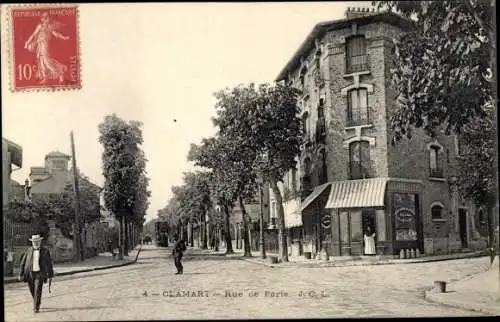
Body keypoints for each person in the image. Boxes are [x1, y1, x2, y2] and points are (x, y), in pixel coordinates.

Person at [24, 12, 69, 84]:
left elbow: (56, 34)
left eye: (47, 17)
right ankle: (45, 78)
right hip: (39, 45)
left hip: (45, 46)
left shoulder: (50, 27)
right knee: (41, 61)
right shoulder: (40, 26)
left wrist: (64, 37)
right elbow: (33, 35)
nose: (46, 19)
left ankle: (61, 74)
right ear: (42, 19)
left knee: (47, 61)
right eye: (44, 18)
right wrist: (27, 42)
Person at [18, 234, 54, 313]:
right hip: (30, 273)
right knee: (32, 290)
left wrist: (51, 274)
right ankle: (37, 301)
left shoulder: (45, 251)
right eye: (34, 242)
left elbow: (49, 263)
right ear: (32, 242)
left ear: (40, 242)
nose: (36, 243)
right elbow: (23, 263)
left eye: (37, 242)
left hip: (40, 274)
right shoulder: (29, 250)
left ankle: (36, 307)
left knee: (37, 290)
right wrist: (20, 274)